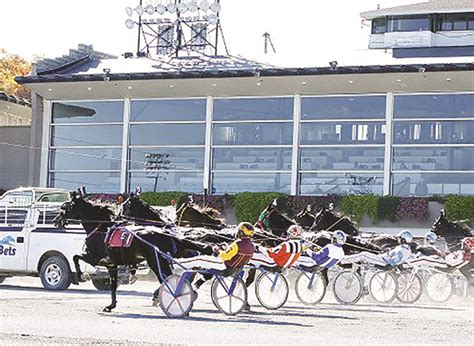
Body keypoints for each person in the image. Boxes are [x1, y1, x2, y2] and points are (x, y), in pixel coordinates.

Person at [176, 222, 255, 271]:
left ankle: (175, 264)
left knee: (199, 259)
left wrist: (217, 250)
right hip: (236, 269)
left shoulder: (237, 244)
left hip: (223, 265)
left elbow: (224, 256)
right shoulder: (251, 245)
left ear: (241, 233)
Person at [341, 231, 413, 267]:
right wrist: (387, 252)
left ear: (404, 240)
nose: (398, 239)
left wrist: (386, 256)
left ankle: (344, 260)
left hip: (383, 261)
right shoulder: (406, 249)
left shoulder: (402, 250)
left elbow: (393, 261)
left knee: (363, 255)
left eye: (400, 238)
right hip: (383, 258)